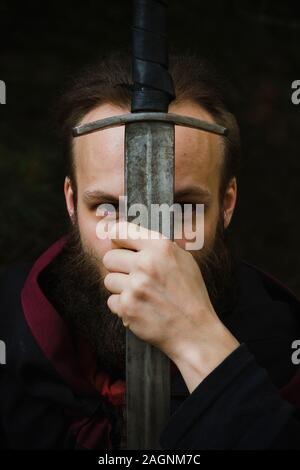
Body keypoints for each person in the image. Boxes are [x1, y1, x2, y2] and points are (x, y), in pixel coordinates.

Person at [1, 51, 300, 450]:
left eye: (179, 208)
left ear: (227, 203)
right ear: (72, 203)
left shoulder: (286, 348)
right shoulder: (8, 326)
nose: (147, 245)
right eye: (108, 207)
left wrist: (199, 341)